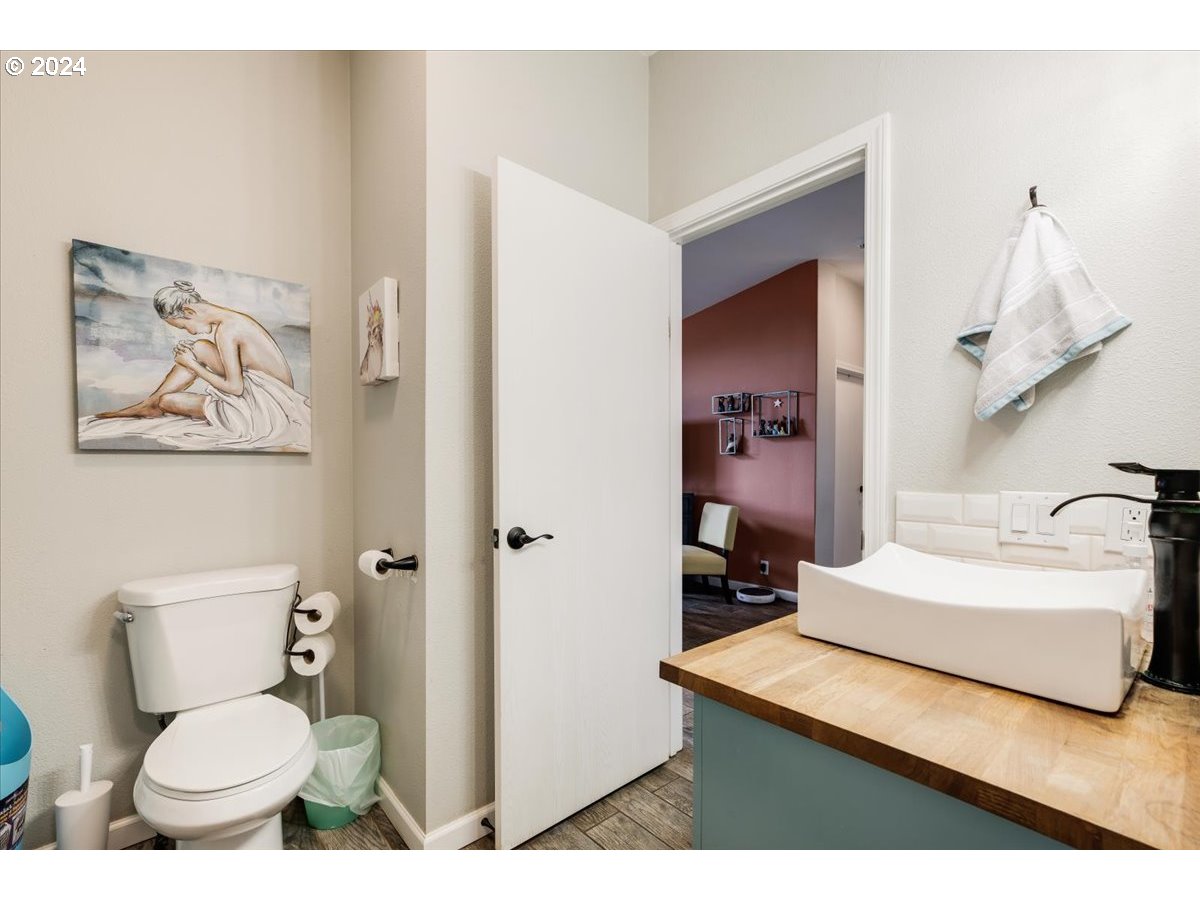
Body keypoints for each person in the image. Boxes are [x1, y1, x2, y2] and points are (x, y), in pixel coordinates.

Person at [84, 281, 310, 451]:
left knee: (168, 400)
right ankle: (148, 404)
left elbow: (235, 388)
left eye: (183, 326)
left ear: (189, 312)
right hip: (266, 394)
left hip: (265, 410)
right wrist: (193, 358)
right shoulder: (232, 321)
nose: (188, 331)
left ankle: (152, 403)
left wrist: (194, 366)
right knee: (199, 346)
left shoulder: (228, 331)